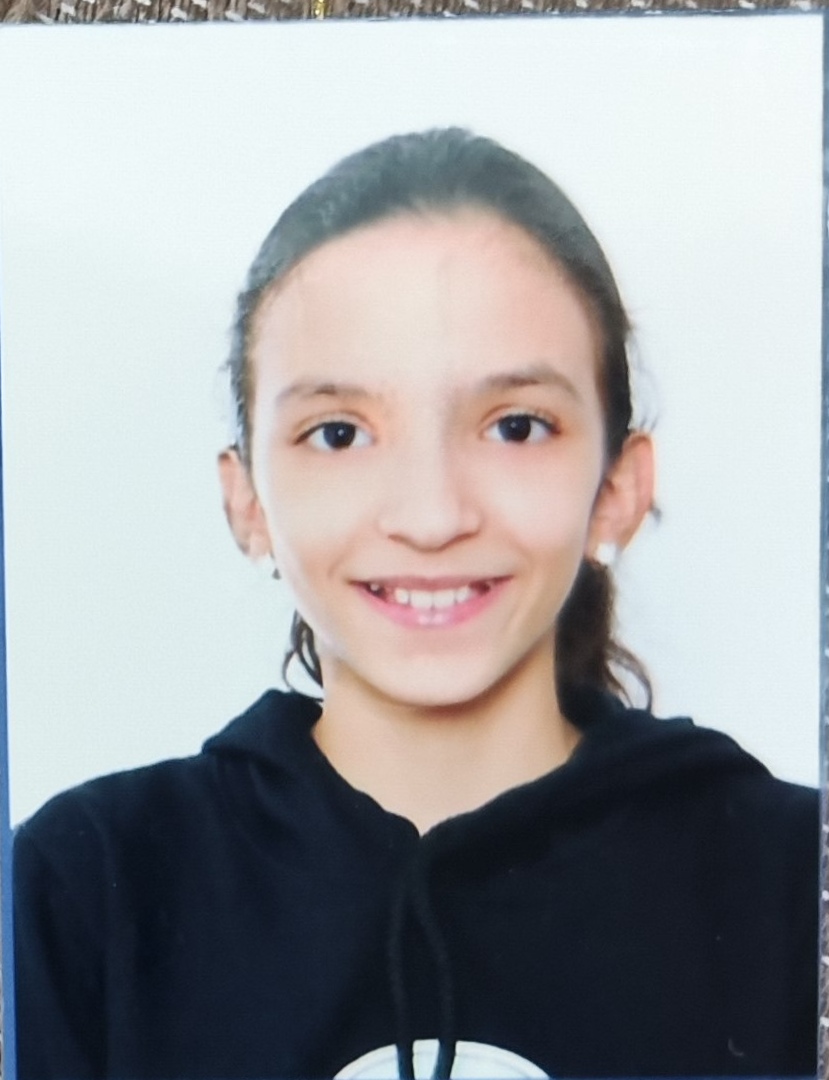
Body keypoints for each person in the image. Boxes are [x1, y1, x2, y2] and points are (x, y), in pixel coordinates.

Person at [13, 128, 818, 1080]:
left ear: (618, 486)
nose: (432, 516)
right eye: (338, 433)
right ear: (247, 501)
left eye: (515, 426)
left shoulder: (792, 882)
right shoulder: (82, 889)